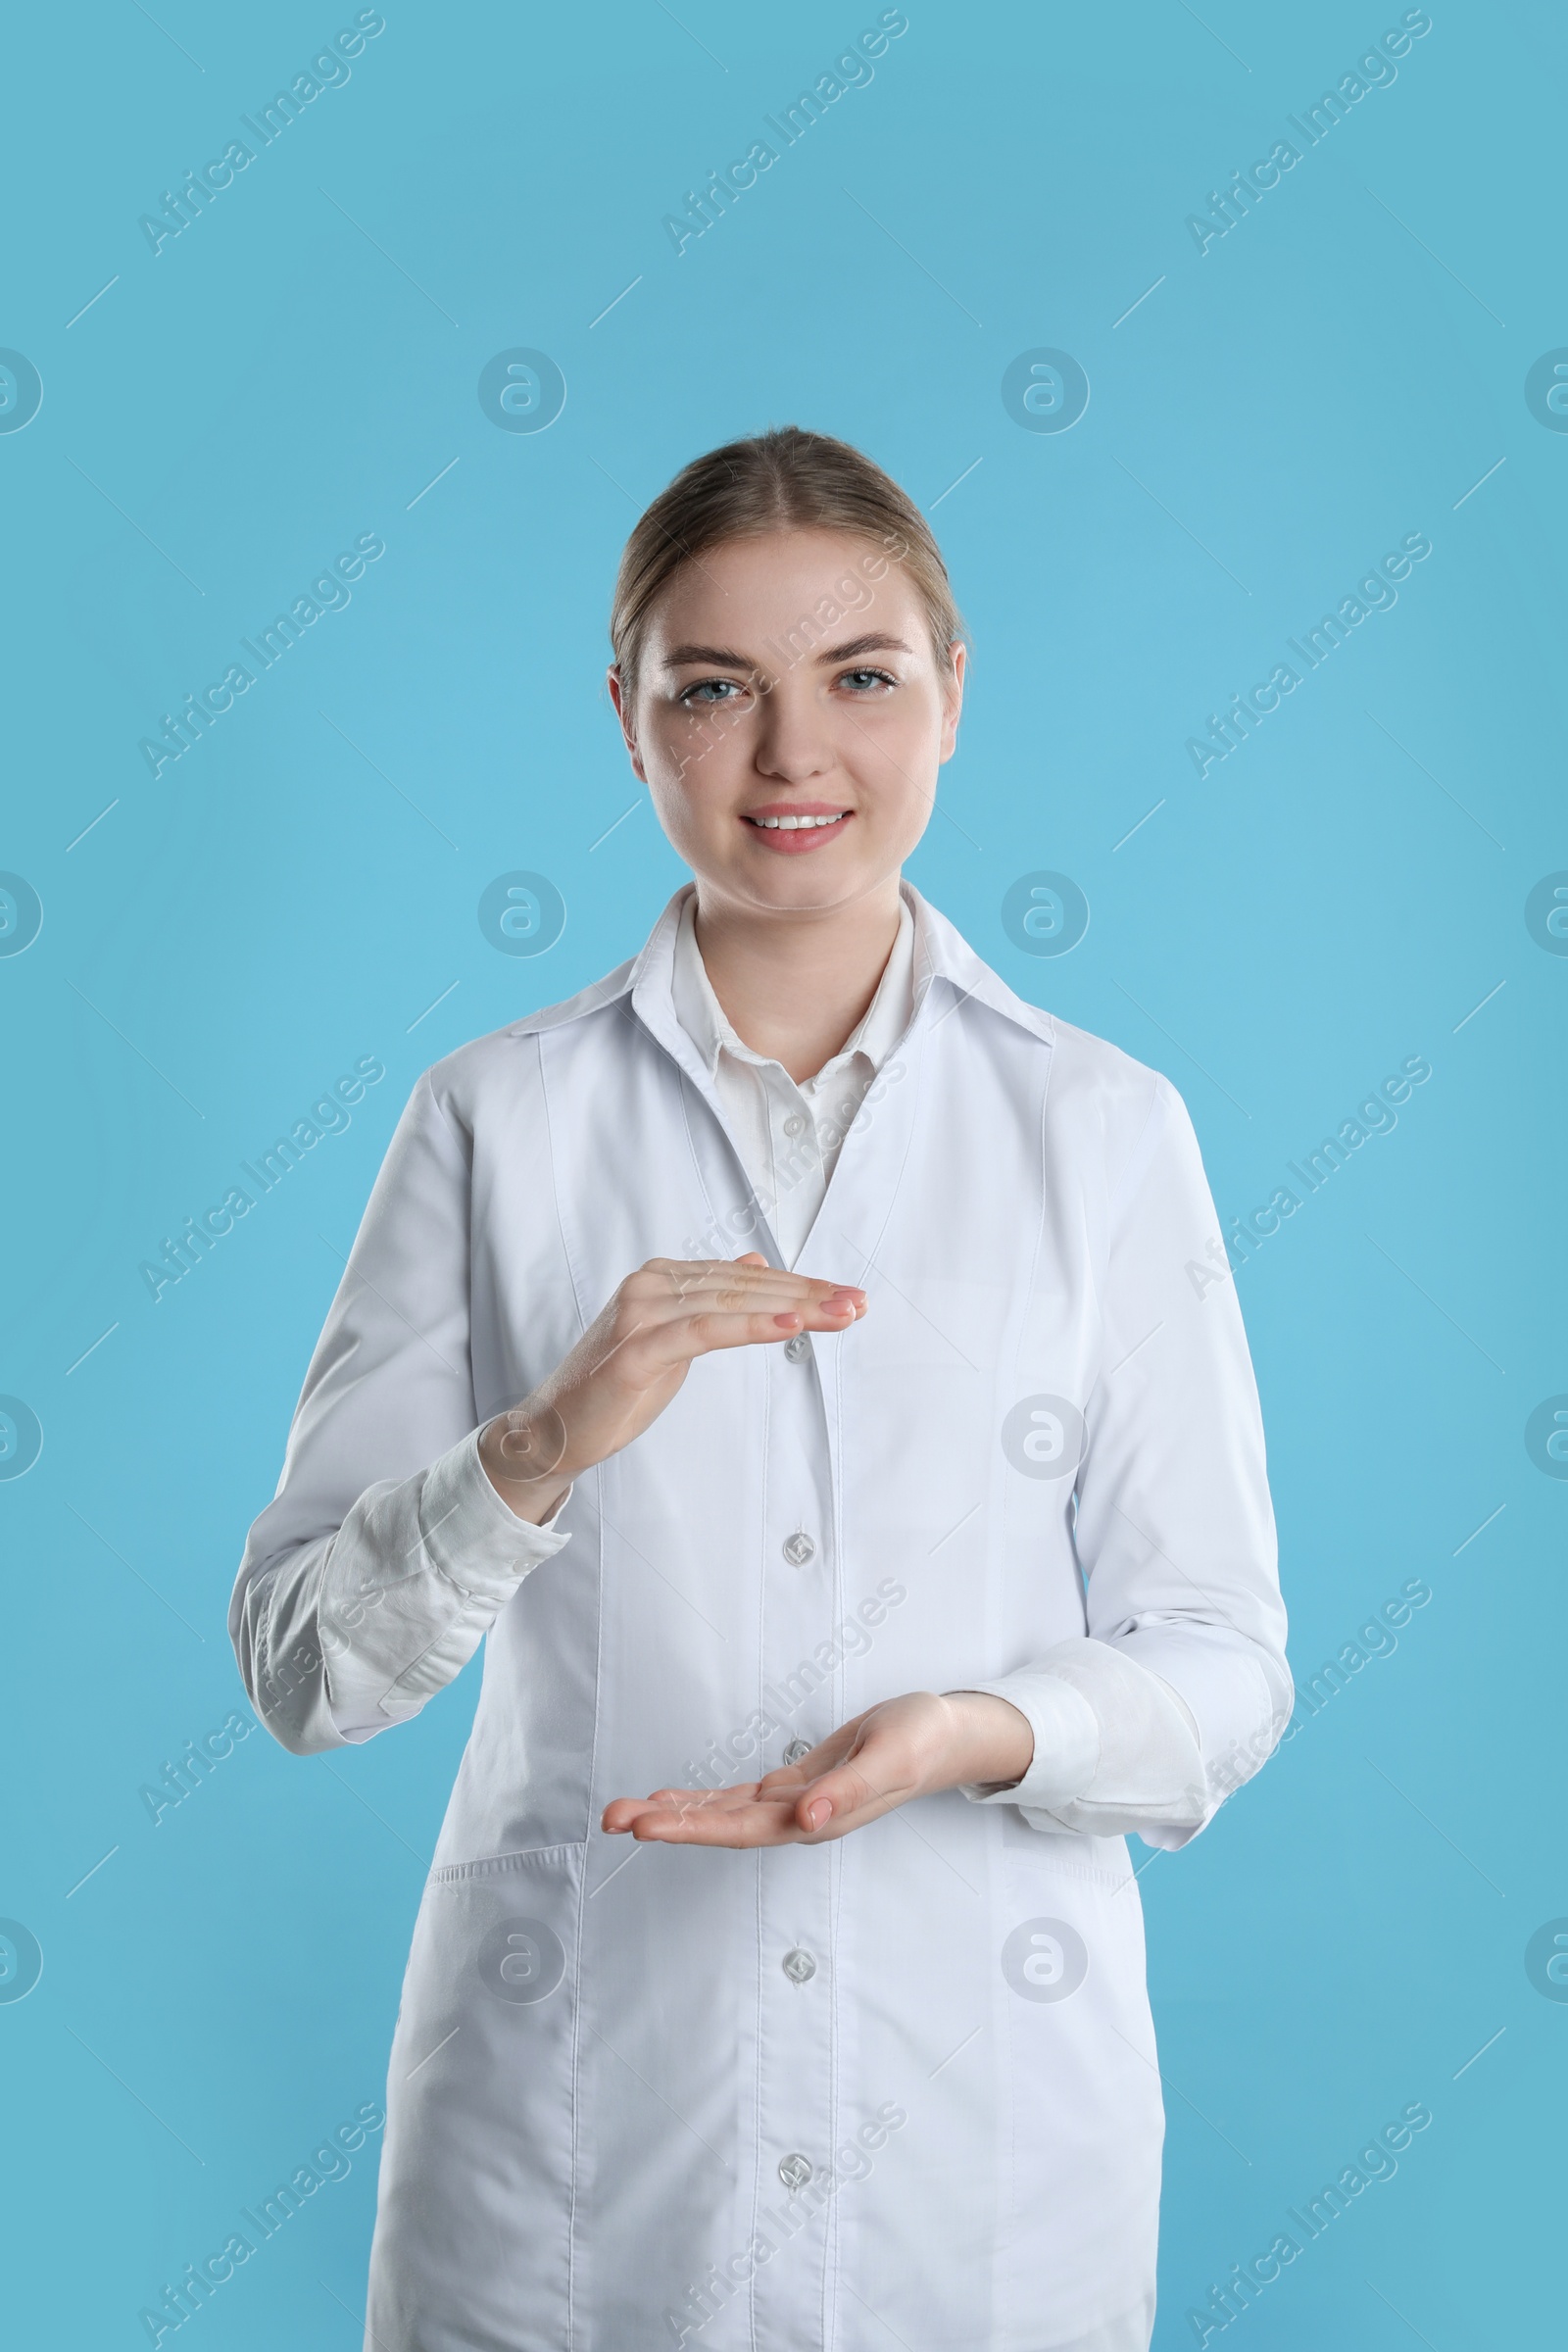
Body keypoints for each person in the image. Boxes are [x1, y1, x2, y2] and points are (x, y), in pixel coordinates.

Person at [230, 425, 1290, 2352]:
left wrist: (971, 1729)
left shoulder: (1102, 1131)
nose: (792, 758)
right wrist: (533, 1454)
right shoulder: (492, 1122)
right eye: (711, 688)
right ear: (624, 718)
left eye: (858, 679)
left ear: (950, 695)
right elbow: (306, 1674)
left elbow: (1221, 1661)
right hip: (565, 2165)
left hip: (979, 2175)